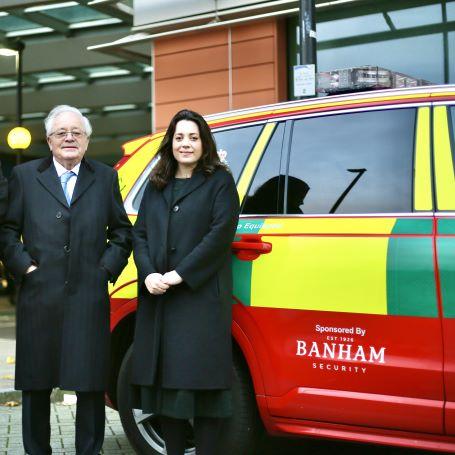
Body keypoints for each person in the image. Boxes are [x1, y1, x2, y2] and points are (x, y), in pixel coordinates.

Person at [1, 105, 132, 455]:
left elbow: (122, 232)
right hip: (39, 296)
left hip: (88, 297)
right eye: (62, 133)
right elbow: (7, 230)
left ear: (87, 140)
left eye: (77, 132)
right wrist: (24, 268)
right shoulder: (25, 177)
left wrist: (104, 270)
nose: (70, 138)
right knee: (36, 384)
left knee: (89, 385)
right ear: (49, 140)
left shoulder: (104, 177)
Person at [131, 109, 240, 455]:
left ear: (204, 142)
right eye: (179, 137)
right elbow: (141, 234)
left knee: (203, 396)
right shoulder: (157, 182)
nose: (186, 144)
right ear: (171, 143)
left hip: (200, 301)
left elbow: (219, 235)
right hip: (159, 299)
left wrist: (181, 274)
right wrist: (148, 273)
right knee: (167, 398)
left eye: (193, 137)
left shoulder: (219, 182)